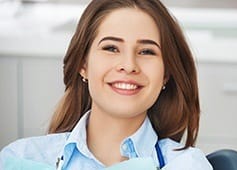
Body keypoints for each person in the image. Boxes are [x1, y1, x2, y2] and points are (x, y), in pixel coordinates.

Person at [0, 0, 213, 169]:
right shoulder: (21, 158)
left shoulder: (186, 165)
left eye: (146, 51)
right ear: (83, 64)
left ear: (166, 74)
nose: (129, 65)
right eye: (111, 48)